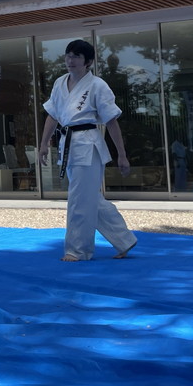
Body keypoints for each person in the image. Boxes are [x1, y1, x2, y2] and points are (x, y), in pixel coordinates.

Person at [37, 39, 137, 261]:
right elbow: (52, 115)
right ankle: (124, 239)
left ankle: (78, 250)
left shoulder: (98, 85)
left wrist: (122, 154)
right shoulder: (59, 83)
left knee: (79, 199)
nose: (70, 61)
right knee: (90, 198)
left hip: (87, 144)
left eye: (76, 57)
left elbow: (111, 121)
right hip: (67, 144)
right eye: (68, 56)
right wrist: (43, 144)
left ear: (88, 62)